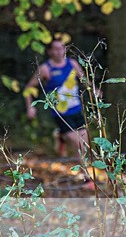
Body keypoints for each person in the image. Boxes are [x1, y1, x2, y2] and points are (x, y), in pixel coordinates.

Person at [24, 38, 95, 189]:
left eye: (61, 48)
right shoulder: (45, 68)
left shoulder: (72, 64)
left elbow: (84, 80)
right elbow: (28, 88)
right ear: (50, 51)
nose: (59, 51)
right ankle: (87, 178)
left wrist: (94, 89)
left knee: (85, 144)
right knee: (79, 144)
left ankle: (61, 137)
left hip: (76, 109)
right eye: (55, 49)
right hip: (60, 112)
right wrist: (30, 107)